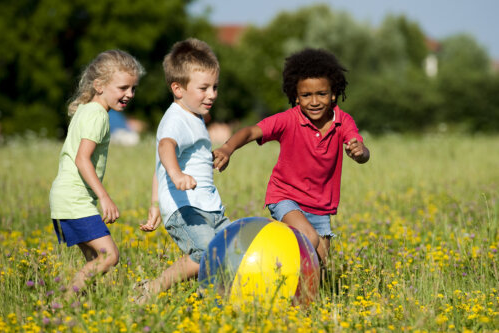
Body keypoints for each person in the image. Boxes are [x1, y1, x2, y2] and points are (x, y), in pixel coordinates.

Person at [213, 48, 370, 264]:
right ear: (296, 97)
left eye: (321, 94)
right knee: (309, 238)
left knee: (321, 265)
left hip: (321, 206)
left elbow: (361, 150)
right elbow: (251, 131)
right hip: (285, 197)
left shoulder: (343, 122)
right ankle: (270, 250)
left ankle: (304, 295)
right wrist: (227, 148)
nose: (314, 101)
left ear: (333, 94)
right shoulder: (287, 120)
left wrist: (360, 152)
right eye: (306, 95)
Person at [137, 38, 231, 303]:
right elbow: (165, 148)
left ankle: (216, 299)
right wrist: (177, 175)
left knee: (232, 247)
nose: (212, 94)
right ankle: (155, 288)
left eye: (215, 87)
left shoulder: (194, 117)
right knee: (207, 253)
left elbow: (160, 165)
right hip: (186, 208)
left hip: (209, 207)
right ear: (178, 88)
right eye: (204, 88)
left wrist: (154, 203)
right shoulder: (176, 119)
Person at [49, 50, 145, 299]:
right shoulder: (98, 115)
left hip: (67, 196)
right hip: (75, 199)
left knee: (94, 260)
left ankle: (82, 308)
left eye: (133, 88)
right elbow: (82, 159)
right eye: (123, 87)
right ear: (99, 85)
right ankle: (63, 303)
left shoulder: (87, 109)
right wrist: (104, 197)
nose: (129, 95)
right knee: (109, 255)